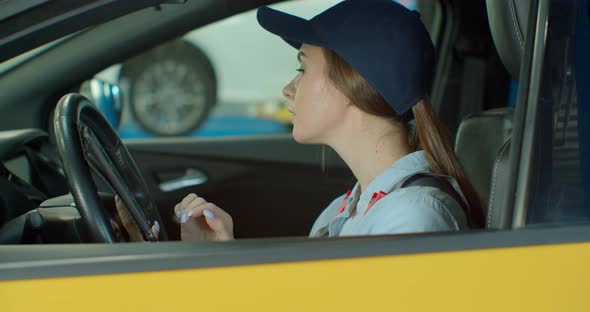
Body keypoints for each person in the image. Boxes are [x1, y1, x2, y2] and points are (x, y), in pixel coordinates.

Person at [118, 0, 485, 241]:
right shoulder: (352, 208)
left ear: (352, 85)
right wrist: (217, 254)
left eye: (302, 68)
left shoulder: (411, 218)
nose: (288, 89)